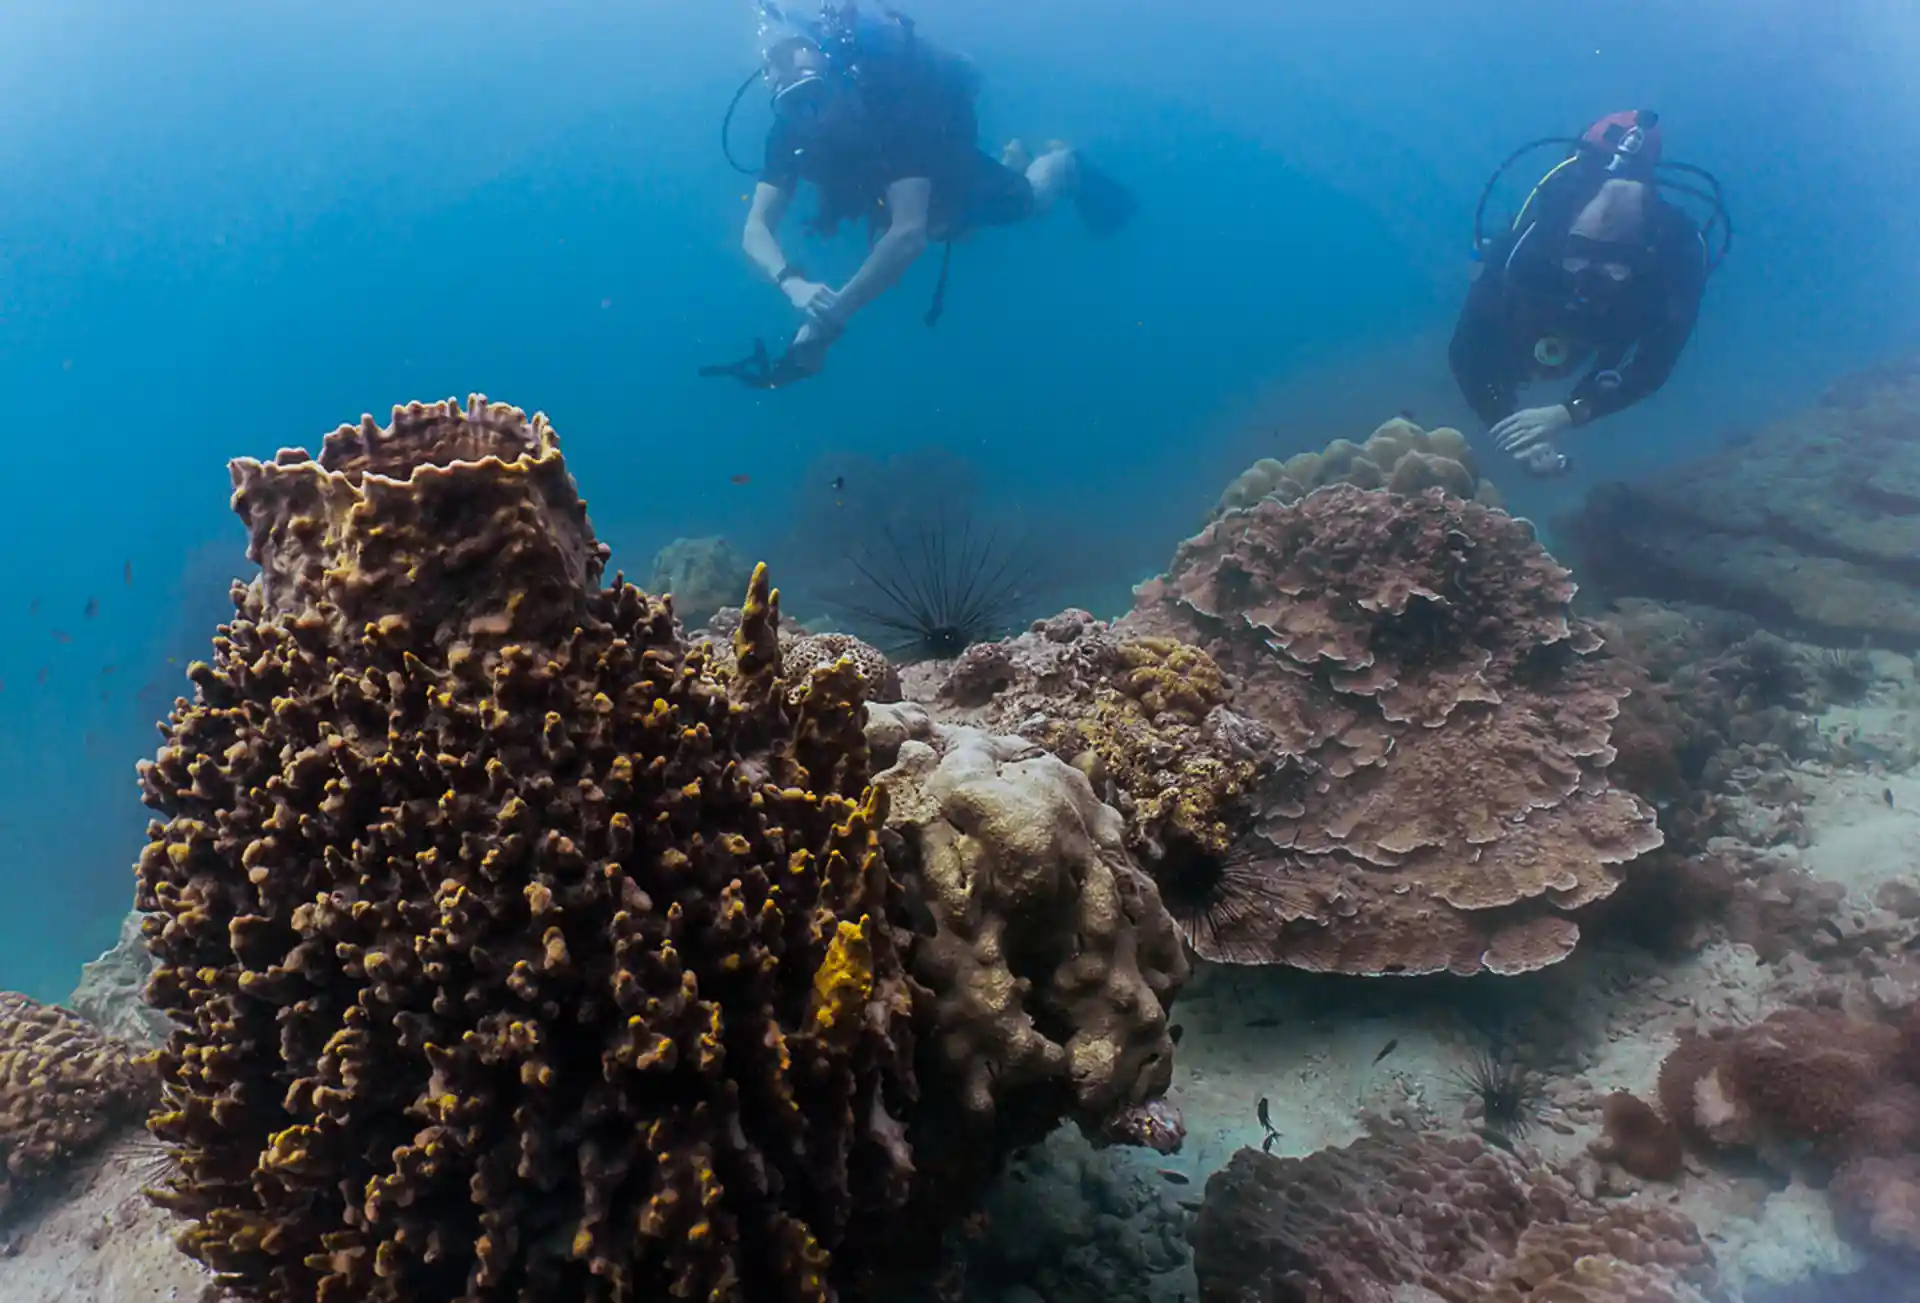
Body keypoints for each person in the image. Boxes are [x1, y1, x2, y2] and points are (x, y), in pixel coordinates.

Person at [734, 3, 1136, 384]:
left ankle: (1064, 165)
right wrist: (791, 283)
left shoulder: (889, 110)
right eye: (792, 105)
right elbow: (755, 229)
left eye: (814, 95)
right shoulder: (786, 137)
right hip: (888, 186)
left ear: (837, 80)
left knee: (1025, 203)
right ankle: (1012, 158)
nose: (809, 116)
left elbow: (908, 235)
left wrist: (828, 320)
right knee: (949, 230)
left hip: (943, 166)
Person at [1449, 110, 1718, 476]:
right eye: (1579, 254)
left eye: (1615, 262)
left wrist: (1572, 411)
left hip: (1610, 335)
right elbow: (1467, 347)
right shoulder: (1537, 237)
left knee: (1611, 341)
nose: (1589, 277)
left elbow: (1654, 363)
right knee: (1505, 344)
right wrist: (1507, 422)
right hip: (1531, 322)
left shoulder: (1677, 249)